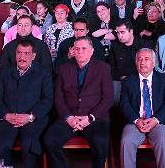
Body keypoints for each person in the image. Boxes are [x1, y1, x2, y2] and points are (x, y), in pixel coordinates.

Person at [43, 36, 113, 168]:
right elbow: (59, 97)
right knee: (49, 140)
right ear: (73, 51)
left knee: (100, 141)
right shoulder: (64, 69)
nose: (80, 52)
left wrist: (90, 118)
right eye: (77, 49)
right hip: (70, 118)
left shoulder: (103, 68)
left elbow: (108, 98)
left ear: (92, 51)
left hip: (94, 118)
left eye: (84, 48)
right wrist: (68, 117)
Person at [0, 38, 53, 168]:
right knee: (1, 144)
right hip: (8, 118)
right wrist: (7, 115)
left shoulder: (43, 73)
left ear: (33, 56)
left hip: (32, 119)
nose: (22, 57)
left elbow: (47, 100)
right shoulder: (4, 73)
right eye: (19, 53)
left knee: (29, 143)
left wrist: (30, 116)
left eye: (26, 53)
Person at [119, 48, 165, 168]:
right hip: (135, 122)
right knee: (126, 140)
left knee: (162, 140)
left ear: (153, 63)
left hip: (158, 122)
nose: (142, 62)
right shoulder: (128, 81)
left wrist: (155, 120)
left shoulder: (164, 80)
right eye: (139, 59)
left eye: (146, 59)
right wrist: (137, 120)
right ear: (135, 62)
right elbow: (124, 105)